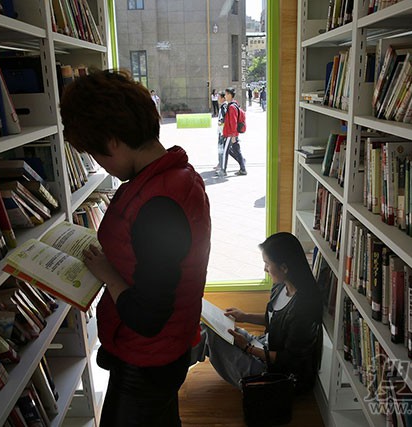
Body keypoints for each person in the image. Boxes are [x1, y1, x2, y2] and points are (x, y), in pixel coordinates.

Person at [60, 69, 211, 427]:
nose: (101, 165)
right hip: (162, 349)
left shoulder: (159, 201)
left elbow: (148, 315)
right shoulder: (173, 175)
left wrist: (108, 275)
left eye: (98, 154)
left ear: (113, 141)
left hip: (148, 358)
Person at [190, 232, 323, 395]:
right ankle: (166, 370)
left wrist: (247, 347)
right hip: (264, 346)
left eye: (267, 264)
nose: (265, 269)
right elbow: (274, 319)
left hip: (275, 374)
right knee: (207, 328)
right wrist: (244, 316)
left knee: (211, 335)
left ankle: (164, 374)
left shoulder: (304, 307)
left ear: (284, 268)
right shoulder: (282, 286)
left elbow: (289, 361)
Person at [223, 87, 247, 176]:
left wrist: (233, 135)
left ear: (230, 95)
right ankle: (242, 164)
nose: (225, 96)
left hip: (231, 134)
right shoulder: (233, 105)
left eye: (226, 94)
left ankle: (243, 168)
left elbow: (233, 122)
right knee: (233, 150)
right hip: (231, 133)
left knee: (230, 150)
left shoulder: (232, 107)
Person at [214, 91, 229, 177]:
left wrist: (220, 122)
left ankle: (221, 167)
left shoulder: (224, 107)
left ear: (223, 98)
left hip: (222, 132)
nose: (218, 99)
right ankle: (220, 164)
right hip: (222, 132)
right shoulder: (224, 106)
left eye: (219, 97)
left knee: (221, 150)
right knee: (228, 149)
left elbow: (223, 119)